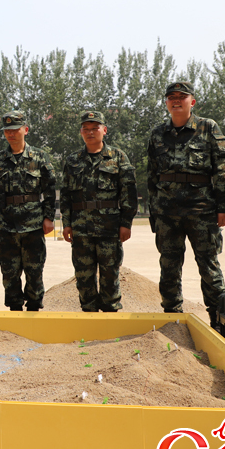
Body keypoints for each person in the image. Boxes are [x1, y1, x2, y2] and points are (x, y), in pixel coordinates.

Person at [147, 81, 225, 328]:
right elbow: (152, 176)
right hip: (167, 214)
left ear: (191, 102)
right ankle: (172, 317)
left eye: (182, 97)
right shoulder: (157, 134)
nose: (176, 101)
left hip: (201, 212)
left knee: (209, 265)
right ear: (166, 103)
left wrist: (222, 207)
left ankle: (218, 321)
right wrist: (154, 213)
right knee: (169, 266)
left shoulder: (208, 128)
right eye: (171, 97)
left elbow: (223, 170)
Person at [61, 111, 138, 312]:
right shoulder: (73, 160)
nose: (90, 132)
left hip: (109, 229)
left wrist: (126, 223)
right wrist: (67, 223)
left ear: (104, 130)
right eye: (86, 129)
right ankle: (89, 314)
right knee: (83, 276)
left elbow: (128, 193)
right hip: (81, 229)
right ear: (80, 132)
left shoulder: (118, 157)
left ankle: (111, 314)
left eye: (95, 128)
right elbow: (66, 195)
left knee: (110, 274)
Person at [0, 111, 56, 311]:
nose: (11, 134)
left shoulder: (39, 157)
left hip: (33, 224)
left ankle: (34, 308)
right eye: (7, 131)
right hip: (7, 225)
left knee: (34, 270)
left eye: (15, 130)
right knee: (9, 272)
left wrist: (48, 217)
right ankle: (15, 310)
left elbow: (50, 189)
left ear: (25, 130)